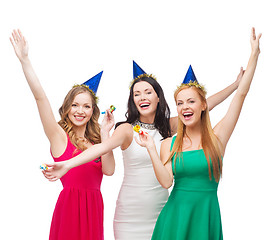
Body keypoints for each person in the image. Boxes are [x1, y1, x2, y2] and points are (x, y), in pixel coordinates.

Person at [43, 59, 241, 239]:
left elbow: (204, 106)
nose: (142, 97)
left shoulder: (171, 127)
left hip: (163, 210)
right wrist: (68, 164)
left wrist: (236, 86)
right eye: (136, 94)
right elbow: (102, 148)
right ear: (133, 101)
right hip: (130, 216)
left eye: (147, 92)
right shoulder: (127, 129)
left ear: (158, 98)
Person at [135, 27, 261, 239]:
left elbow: (241, 94)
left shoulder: (217, 137)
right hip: (174, 220)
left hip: (205, 217)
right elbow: (166, 182)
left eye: (191, 101)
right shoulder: (169, 143)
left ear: (204, 105)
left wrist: (254, 55)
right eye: (179, 103)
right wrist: (150, 148)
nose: (185, 107)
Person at [10, 29, 115, 240]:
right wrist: (25, 61)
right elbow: (41, 99)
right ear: (67, 108)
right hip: (70, 210)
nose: (80, 111)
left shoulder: (96, 142)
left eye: (86, 106)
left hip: (94, 208)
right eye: (75, 105)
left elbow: (110, 171)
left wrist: (105, 133)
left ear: (92, 111)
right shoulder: (59, 137)